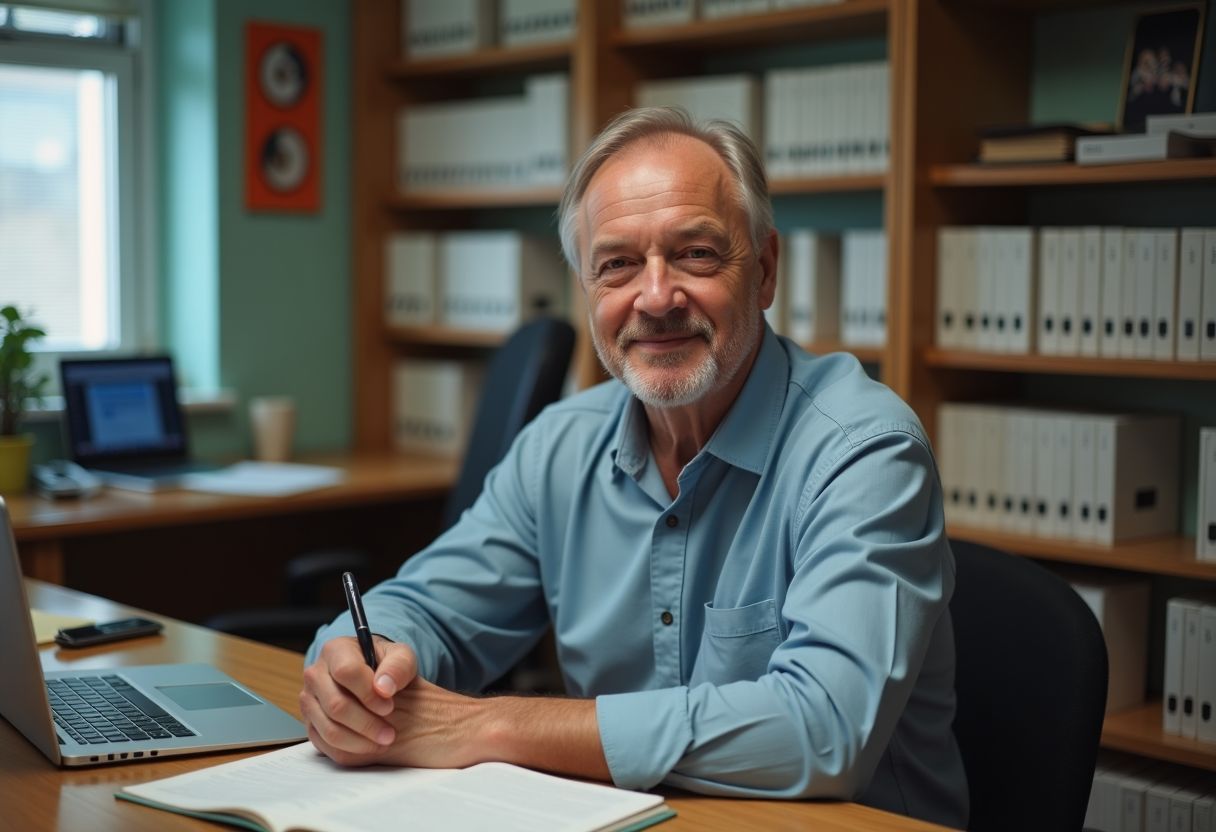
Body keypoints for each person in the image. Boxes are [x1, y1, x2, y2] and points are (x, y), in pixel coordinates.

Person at [301, 107, 968, 828]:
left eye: (697, 254)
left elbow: (824, 726)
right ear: (586, 289)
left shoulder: (863, 451)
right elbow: (428, 610)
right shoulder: (558, 447)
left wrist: (486, 726)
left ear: (766, 270)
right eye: (617, 264)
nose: (655, 297)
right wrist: (357, 668)